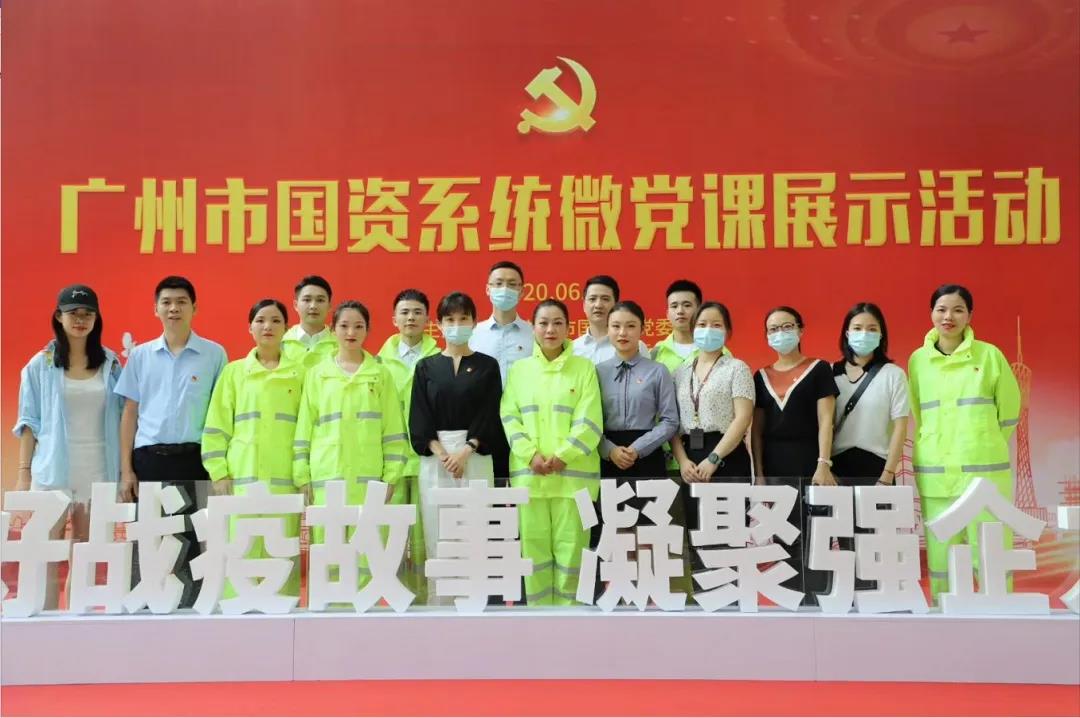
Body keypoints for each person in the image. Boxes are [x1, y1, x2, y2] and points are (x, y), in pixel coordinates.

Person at [115, 275, 228, 608]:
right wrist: (127, 471)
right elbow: (129, 414)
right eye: (166, 302)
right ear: (156, 309)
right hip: (149, 460)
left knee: (192, 540)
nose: (174, 308)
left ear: (194, 308)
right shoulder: (141, 356)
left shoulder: (213, 354)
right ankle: (145, 610)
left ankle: (190, 611)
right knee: (147, 539)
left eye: (181, 302)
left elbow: (222, 414)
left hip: (195, 459)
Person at [13, 284, 124, 608]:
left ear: (96, 319)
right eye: (73, 313)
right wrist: (23, 475)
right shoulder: (40, 364)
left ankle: (77, 623)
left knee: (86, 553)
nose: (80, 320)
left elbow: (123, 416)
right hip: (52, 471)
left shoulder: (111, 363)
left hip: (98, 471)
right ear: (58, 317)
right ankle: (45, 622)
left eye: (88, 314)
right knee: (45, 555)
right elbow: (28, 422)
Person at [908, 284, 1021, 602]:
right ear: (931, 313)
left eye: (958, 310)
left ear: (970, 315)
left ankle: (998, 614)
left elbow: (1009, 413)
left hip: (984, 473)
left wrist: (982, 443)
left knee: (989, 551)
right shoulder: (918, 361)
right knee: (942, 556)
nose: (949, 316)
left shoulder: (989, 356)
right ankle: (942, 615)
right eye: (941, 309)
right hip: (937, 474)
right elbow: (919, 413)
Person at [293, 300, 408, 586]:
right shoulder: (318, 374)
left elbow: (393, 430)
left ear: (368, 330)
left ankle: (365, 609)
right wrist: (302, 474)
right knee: (329, 552)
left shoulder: (380, 374)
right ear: (333, 330)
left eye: (358, 326)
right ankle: (331, 609)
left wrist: (391, 476)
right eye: (344, 326)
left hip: (369, 481)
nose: (351, 332)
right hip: (327, 477)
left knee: (367, 553)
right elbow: (305, 427)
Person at [201, 299, 306, 598]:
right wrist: (219, 472)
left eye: (275, 320)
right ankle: (237, 617)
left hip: (285, 482)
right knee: (240, 552)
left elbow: (307, 429)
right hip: (241, 482)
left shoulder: (300, 374)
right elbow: (216, 426)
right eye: (260, 320)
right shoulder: (234, 373)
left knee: (281, 555)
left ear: (287, 328)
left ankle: (284, 618)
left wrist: (304, 476)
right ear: (250, 327)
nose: (267, 326)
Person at [501, 299, 603, 605]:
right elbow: (509, 417)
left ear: (569, 328)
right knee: (533, 555)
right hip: (530, 481)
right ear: (532, 327)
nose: (550, 329)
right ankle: (538, 619)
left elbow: (590, 420)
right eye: (543, 323)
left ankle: (572, 620)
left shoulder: (584, 368)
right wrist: (530, 455)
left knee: (574, 553)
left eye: (558, 323)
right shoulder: (519, 370)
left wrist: (563, 456)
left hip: (575, 482)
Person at [409, 292, 503, 603]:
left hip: (475, 455)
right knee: (439, 532)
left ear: (474, 322)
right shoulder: (426, 367)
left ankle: (475, 605)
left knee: (476, 532)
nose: (457, 325)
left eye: (463, 318)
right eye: (450, 319)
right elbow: (419, 416)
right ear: (438, 324)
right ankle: (440, 606)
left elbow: (491, 413)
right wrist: (443, 454)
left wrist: (466, 450)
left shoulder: (487, 366)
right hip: (436, 457)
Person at [750, 306, 838, 606]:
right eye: (773, 329)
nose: (780, 334)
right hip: (775, 465)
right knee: (784, 535)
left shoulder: (819, 369)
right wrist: (760, 474)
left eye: (787, 327)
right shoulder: (761, 376)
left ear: (801, 330)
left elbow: (826, 420)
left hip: (810, 461)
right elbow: (757, 431)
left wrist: (823, 464)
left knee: (815, 533)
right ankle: (791, 601)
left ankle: (818, 599)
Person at [670, 302, 755, 581]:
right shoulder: (681, 371)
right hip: (690, 461)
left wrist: (714, 459)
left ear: (728, 331)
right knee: (697, 536)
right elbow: (672, 423)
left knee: (728, 539)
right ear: (693, 329)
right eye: (702, 324)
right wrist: (682, 461)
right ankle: (704, 600)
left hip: (726, 457)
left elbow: (742, 418)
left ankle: (731, 600)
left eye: (716, 325)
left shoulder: (737, 368)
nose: (708, 330)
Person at [830, 302, 910, 591]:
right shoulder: (829, 372)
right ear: (846, 333)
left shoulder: (893, 374)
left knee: (876, 544)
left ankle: (876, 602)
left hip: (877, 468)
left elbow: (900, 426)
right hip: (838, 469)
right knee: (845, 543)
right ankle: (848, 599)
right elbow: (822, 425)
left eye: (872, 328)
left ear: (881, 334)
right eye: (857, 328)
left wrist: (887, 475)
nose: (864, 334)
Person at [376, 289, 441, 601]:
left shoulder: (440, 358)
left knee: (428, 534)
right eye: (404, 312)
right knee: (392, 535)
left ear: (428, 319)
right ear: (394, 319)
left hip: (429, 458)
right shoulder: (378, 362)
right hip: (393, 462)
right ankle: (397, 602)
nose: (411, 318)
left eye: (417, 312)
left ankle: (429, 602)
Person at [596, 300, 678, 501]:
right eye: (616, 326)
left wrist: (637, 449)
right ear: (608, 329)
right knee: (612, 519)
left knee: (649, 519)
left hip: (648, 454)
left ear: (643, 329)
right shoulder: (596, 372)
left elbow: (670, 421)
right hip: (608, 457)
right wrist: (609, 450)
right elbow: (590, 421)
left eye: (631, 326)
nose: (622, 333)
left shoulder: (658, 371)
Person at [469, 261, 531, 484]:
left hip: (525, 424)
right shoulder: (473, 335)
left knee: (522, 489)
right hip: (483, 425)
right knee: (485, 489)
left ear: (522, 291)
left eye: (512, 284)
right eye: (498, 283)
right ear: (488, 289)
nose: (505, 289)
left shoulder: (534, 335)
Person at [572, 275, 648, 364]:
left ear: (616, 304)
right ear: (584, 305)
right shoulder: (572, 349)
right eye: (592, 299)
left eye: (605, 299)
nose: (598, 305)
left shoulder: (635, 346)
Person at [282, 275, 337, 367]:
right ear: (296, 305)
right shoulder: (281, 342)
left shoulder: (340, 344)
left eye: (320, 300)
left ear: (329, 306)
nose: (313, 306)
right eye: (307, 300)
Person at [651, 279, 703, 372]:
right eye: (674, 306)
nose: (680, 311)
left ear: (700, 310)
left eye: (687, 305)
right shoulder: (655, 353)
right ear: (667, 314)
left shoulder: (717, 351)